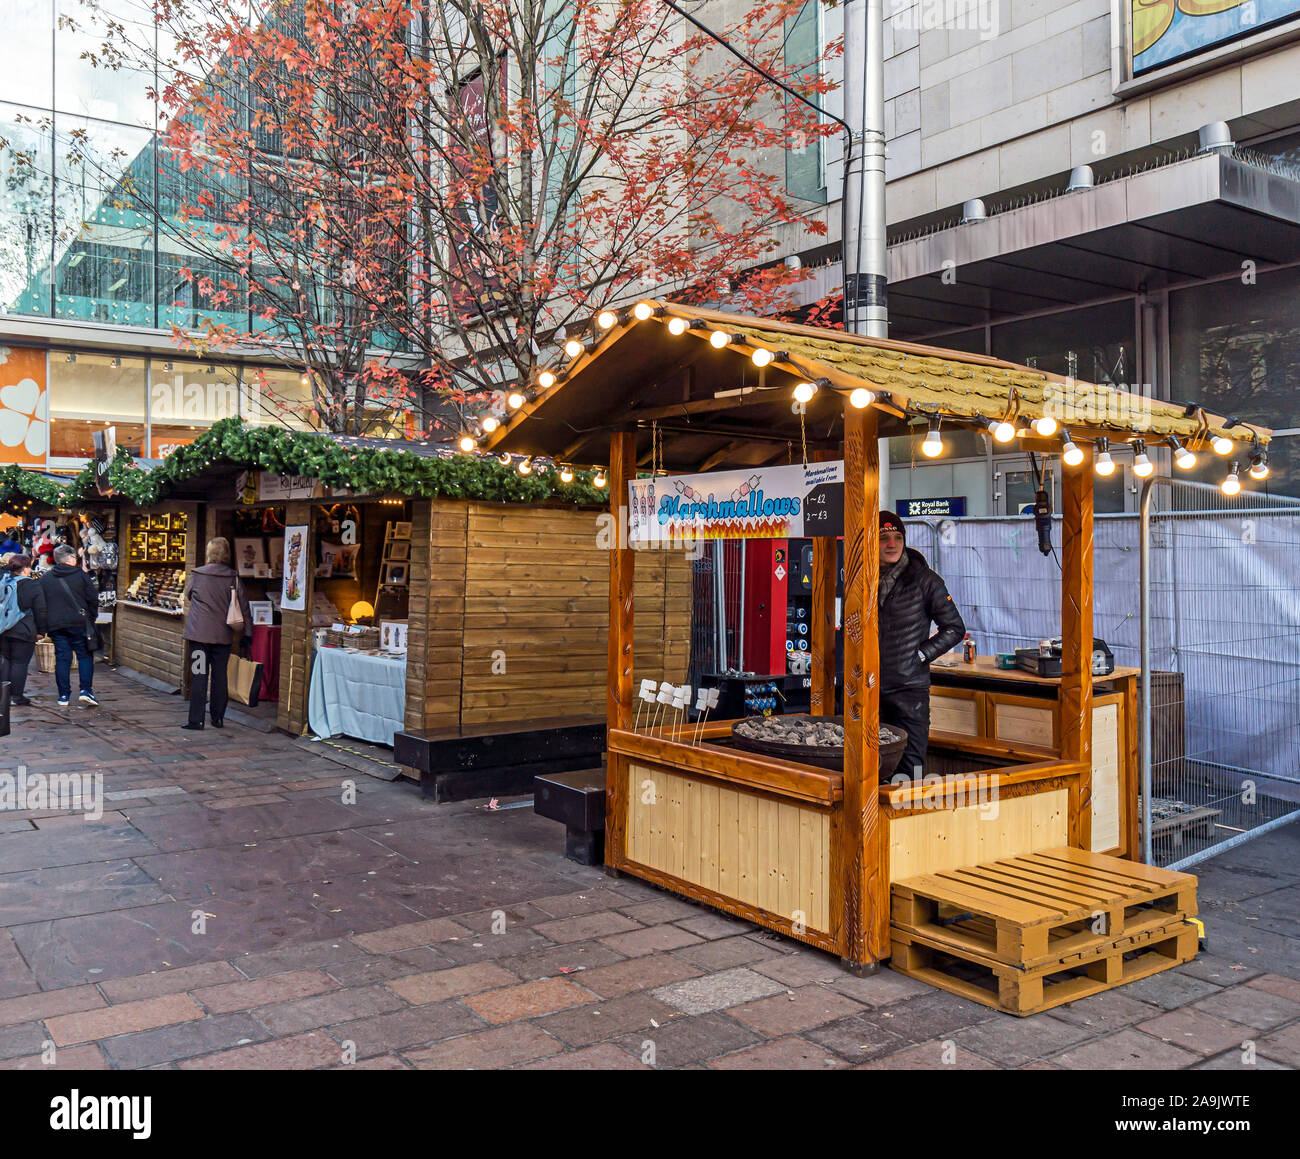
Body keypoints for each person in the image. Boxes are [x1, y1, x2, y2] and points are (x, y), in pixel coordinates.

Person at [878, 511, 965, 781]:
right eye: (883, 538)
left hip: (910, 691)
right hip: (867, 688)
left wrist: (920, 655)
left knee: (910, 769)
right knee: (871, 767)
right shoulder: (860, 580)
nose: (892, 544)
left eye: (898, 537)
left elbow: (954, 628)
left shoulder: (926, 580)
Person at [181, 536, 252, 730]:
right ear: (226, 554)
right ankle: (218, 718)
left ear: (209, 553)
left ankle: (196, 720)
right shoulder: (233, 577)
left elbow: (187, 595)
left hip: (198, 636)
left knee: (199, 675)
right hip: (222, 637)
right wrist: (248, 633)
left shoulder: (198, 574)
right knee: (220, 676)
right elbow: (244, 607)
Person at [40, 543, 100, 707]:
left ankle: (64, 695)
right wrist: (91, 616)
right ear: (70, 558)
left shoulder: (46, 578)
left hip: (56, 625)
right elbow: (93, 598)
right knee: (84, 655)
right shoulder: (81, 576)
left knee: (62, 658)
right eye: (74, 557)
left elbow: (41, 604)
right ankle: (86, 690)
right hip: (79, 623)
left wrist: (44, 624)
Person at [0, 555, 47, 705]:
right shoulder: (32, 585)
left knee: (5, 661)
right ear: (26, 569)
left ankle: (4, 695)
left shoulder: (3, 582)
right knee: (19, 663)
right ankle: (16, 696)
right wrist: (41, 630)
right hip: (24, 629)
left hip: (3, 628)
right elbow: (41, 610)